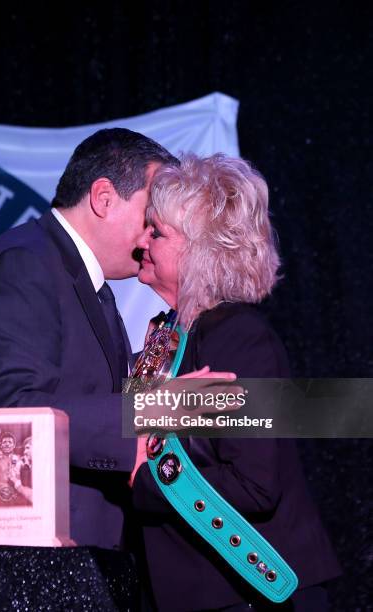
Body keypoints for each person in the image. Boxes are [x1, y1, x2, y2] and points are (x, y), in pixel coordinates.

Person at [0, 128, 231, 550]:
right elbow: (12, 415)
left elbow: (77, 389)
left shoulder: (78, 280)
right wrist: (151, 409)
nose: (153, 234)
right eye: (152, 214)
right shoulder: (23, 268)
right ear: (104, 198)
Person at [131, 153, 341, 611]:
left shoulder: (240, 338)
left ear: (202, 252)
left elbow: (255, 484)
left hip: (254, 596)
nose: (140, 241)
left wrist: (143, 481)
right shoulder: (173, 335)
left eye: (157, 232)